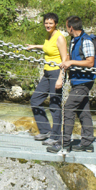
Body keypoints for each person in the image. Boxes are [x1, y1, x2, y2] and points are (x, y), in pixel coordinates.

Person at [47, 16, 96, 153]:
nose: (66, 30)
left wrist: (71, 63)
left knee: (68, 108)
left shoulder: (86, 41)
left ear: (71, 28)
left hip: (84, 81)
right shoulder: (74, 40)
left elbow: (90, 62)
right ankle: (87, 142)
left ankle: (65, 143)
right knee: (83, 111)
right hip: (77, 81)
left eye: (67, 27)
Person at [26, 13, 67, 142]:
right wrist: (34, 46)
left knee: (54, 104)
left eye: (51, 23)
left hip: (56, 72)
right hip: (47, 72)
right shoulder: (49, 36)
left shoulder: (60, 38)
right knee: (35, 100)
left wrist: (61, 78)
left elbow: (65, 58)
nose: (48, 25)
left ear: (55, 24)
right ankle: (45, 131)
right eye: (46, 23)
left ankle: (55, 136)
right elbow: (48, 48)